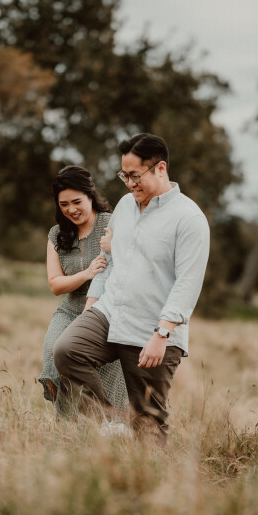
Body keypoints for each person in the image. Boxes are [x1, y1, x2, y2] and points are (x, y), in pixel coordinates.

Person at [53, 134, 210, 445]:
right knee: (67, 351)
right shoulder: (125, 206)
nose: (129, 184)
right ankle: (111, 423)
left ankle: (148, 470)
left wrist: (162, 334)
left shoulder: (189, 219)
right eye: (124, 175)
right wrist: (91, 306)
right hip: (110, 312)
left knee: (148, 421)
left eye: (135, 175)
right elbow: (110, 259)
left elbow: (188, 283)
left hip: (153, 329)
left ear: (160, 168)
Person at [38, 165, 128, 417]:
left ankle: (104, 421)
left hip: (105, 312)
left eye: (77, 202)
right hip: (70, 310)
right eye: (64, 204)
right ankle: (67, 424)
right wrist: (87, 273)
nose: (71, 210)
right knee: (54, 352)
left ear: (90, 195)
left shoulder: (111, 223)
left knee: (100, 372)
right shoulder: (57, 234)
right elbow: (56, 284)